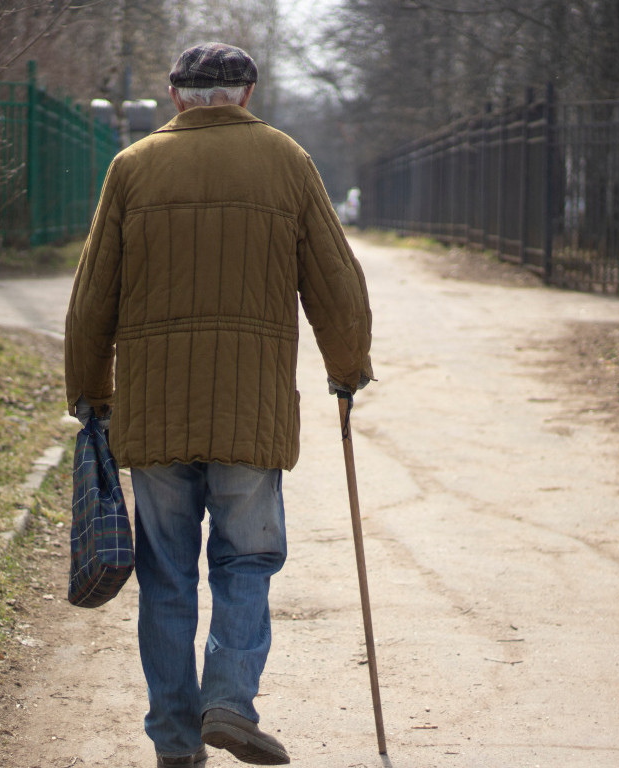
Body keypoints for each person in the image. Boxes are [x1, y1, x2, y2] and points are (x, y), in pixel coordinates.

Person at [65, 41, 374, 768]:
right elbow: (338, 284)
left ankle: (175, 741)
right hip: (251, 413)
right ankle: (230, 701)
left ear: (175, 96)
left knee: (167, 578)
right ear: (248, 94)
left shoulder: (132, 168)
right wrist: (348, 369)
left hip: (155, 415)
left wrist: (92, 397)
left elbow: (90, 302)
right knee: (247, 560)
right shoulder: (288, 161)